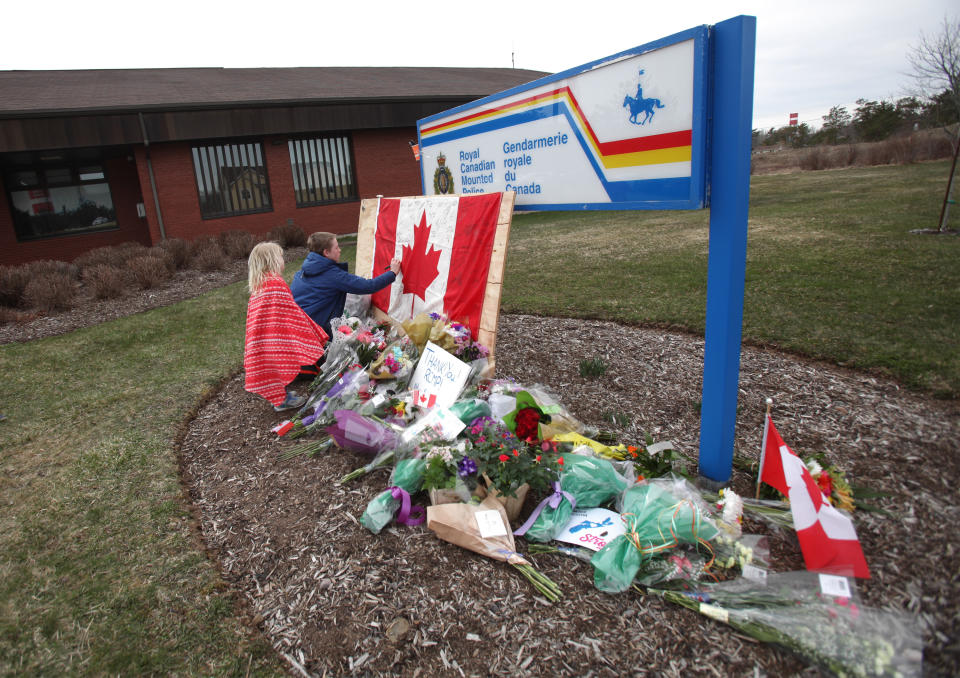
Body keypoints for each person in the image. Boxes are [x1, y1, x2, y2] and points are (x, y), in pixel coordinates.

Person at [244, 242, 329, 412]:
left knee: (274, 369)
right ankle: (281, 401)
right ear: (272, 261)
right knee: (280, 364)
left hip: (261, 341)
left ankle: (281, 397)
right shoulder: (275, 283)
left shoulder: (259, 286)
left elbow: (280, 313)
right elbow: (292, 314)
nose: (283, 260)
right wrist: (310, 332)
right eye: (281, 257)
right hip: (274, 339)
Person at [291, 232, 400, 337]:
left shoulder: (302, 272)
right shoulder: (333, 275)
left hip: (297, 327)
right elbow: (369, 286)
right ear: (326, 253)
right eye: (336, 248)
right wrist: (392, 273)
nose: (340, 250)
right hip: (315, 332)